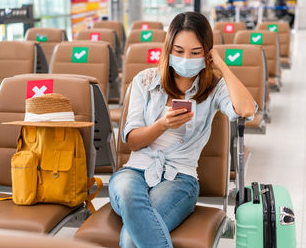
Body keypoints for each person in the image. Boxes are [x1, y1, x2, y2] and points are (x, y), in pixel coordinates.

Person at [108, 12, 256, 248]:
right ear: (168, 49)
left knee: (130, 237)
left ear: (207, 53)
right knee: (126, 193)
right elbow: (132, 142)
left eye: (195, 53)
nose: (186, 58)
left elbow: (247, 110)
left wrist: (222, 65)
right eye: (179, 51)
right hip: (135, 170)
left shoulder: (213, 88)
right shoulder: (145, 81)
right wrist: (162, 125)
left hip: (180, 177)